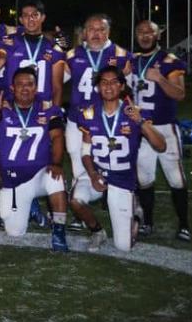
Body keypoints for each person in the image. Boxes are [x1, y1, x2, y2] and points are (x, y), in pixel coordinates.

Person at [70, 66, 166, 252]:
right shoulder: (89, 113)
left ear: (122, 86)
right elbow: (85, 151)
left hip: (122, 180)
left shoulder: (134, 112)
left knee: (124, 246)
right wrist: (91, 174)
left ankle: (136, 213)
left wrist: (140, 122)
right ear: (98, 87)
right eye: (104, 82)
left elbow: (161, 146)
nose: (108, 86)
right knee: (75, 200)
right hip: (97, 173)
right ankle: (97, 231)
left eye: (114, 82)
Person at [0, 67, 69, 251]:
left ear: (36, 87)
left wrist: (56, 163)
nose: (25, 89)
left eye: (29, 84)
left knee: (56, 178)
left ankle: (59, 230)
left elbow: (57, 137)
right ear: (12, 88)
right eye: (20, 85)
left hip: (39, 175)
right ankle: (31, 206)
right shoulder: (3, 107)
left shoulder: (48, 109)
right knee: (15, 232)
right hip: (13, 182)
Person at [64, 13, 131, 229]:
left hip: (107, 121)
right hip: (77, 118)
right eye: (91, 29)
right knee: (77, 161)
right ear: (84, 32)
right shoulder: (73, 54)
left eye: (101, 29)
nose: (96, 34)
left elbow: (129, 89)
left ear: (108, 32)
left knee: (111, 160)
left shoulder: (120, 54)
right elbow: (56, 80)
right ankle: (80, 208)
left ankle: (115, 199)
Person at [131, 20, 190, 241]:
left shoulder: (169, 61)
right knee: (145, 179)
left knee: (175, 179)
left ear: (158, 35)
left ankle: (184, 224)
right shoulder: (133, 60)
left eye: (150, 32)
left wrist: (160, 79)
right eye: (141, 32)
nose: (145, 36)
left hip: (165, 127)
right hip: (141, 128)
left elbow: (179, 94)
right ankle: (148, 222)